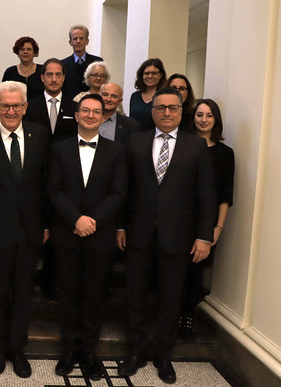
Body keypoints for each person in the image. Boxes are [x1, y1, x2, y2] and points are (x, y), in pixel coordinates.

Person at [117, 88, 216, 384]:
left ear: (182, 110)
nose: (167, 113)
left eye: (173, 108)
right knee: (135, 296)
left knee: (170, 299)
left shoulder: (196, 146)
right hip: (138, 233)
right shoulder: (134, 142)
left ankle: (163, 356)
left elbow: (207, 196)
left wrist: (204, 236)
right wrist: (121, 226)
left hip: (179, 238)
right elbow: (125, 190)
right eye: (161, 108)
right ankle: (135, 352)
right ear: (152, 110)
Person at [0, 81, 50, 379]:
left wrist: (46, 224)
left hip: (30, 231)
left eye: (17, 105)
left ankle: (18, 349)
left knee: (24, 293)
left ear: (25, 107)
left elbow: (45, 185)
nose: (11, 110)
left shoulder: (40, 135)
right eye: (5, 105)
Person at [48, 94, 127, 380]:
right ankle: (69, 350)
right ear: (77, 116)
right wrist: (76, 219)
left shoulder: (117, 151)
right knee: (67, 293)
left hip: (100, 234)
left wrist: (91, 221)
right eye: (86, 111)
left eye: (97, 111)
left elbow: (119, 193)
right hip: (67, 232)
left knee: (95, 294)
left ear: (104, 117)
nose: (92, 115)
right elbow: (53, 189)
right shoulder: (58, 149)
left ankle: (90, 352)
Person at [180, 99, 234, 339]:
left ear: (216, 120)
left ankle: (187, 318)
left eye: (209, 115)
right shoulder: (184, 146)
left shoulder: (225, 153)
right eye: (199, 115)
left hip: (207, 223)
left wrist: (217, 228)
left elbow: (225, 195)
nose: (203, 119)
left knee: (195, 272)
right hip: (180, 218)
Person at [24, 57, 77, 300]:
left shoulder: (73, 107)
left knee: (59, 232)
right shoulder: (29, 106)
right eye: (49, 74)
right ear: (42, 77)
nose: (54, 79)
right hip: (34, 177)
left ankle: (52, 283)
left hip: (65, 181)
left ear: (64, 78)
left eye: (58, 75)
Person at [61, 25, 103, 99]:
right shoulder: (62, 64)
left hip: (93, 103)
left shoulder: (97, 62)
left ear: (87, 41)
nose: (78, 41)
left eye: (81, 38)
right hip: (70, 105)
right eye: (75, 39)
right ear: (70, 42)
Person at [129, 58, 167, 131]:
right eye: (146, 73)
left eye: (154, 73)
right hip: (135, 138)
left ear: (161, 75)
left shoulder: (164, 96)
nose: (150, 76)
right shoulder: (135, 96)